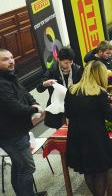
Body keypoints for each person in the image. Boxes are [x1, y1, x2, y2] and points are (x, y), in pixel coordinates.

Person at [65, 61, 112, 196]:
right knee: (100, 171)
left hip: (77, 137)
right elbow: (110, 117)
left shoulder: (71, 91)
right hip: (95, 138)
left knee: (88, 171)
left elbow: (68, 114)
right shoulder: (99, 93)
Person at [0, 49, 47, 196]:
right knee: (27, 167)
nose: (11, 61)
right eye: (5, 59)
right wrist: (33, 108)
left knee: (19, 165)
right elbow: (13, 107)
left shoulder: (10, 76)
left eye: (12, 57)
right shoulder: (2, 83)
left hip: (18, 129)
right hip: (11, 134)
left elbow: (24, 93)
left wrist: (35, 103)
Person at [37, 46, 83, 129]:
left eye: (70, 62)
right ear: (58, 59)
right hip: (60, 106)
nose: (69, 65)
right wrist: (46, 83)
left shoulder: (77, 69)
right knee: (63, 130)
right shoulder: (52, 71)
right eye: (66, 63)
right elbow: (39, 89)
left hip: (75, 104)